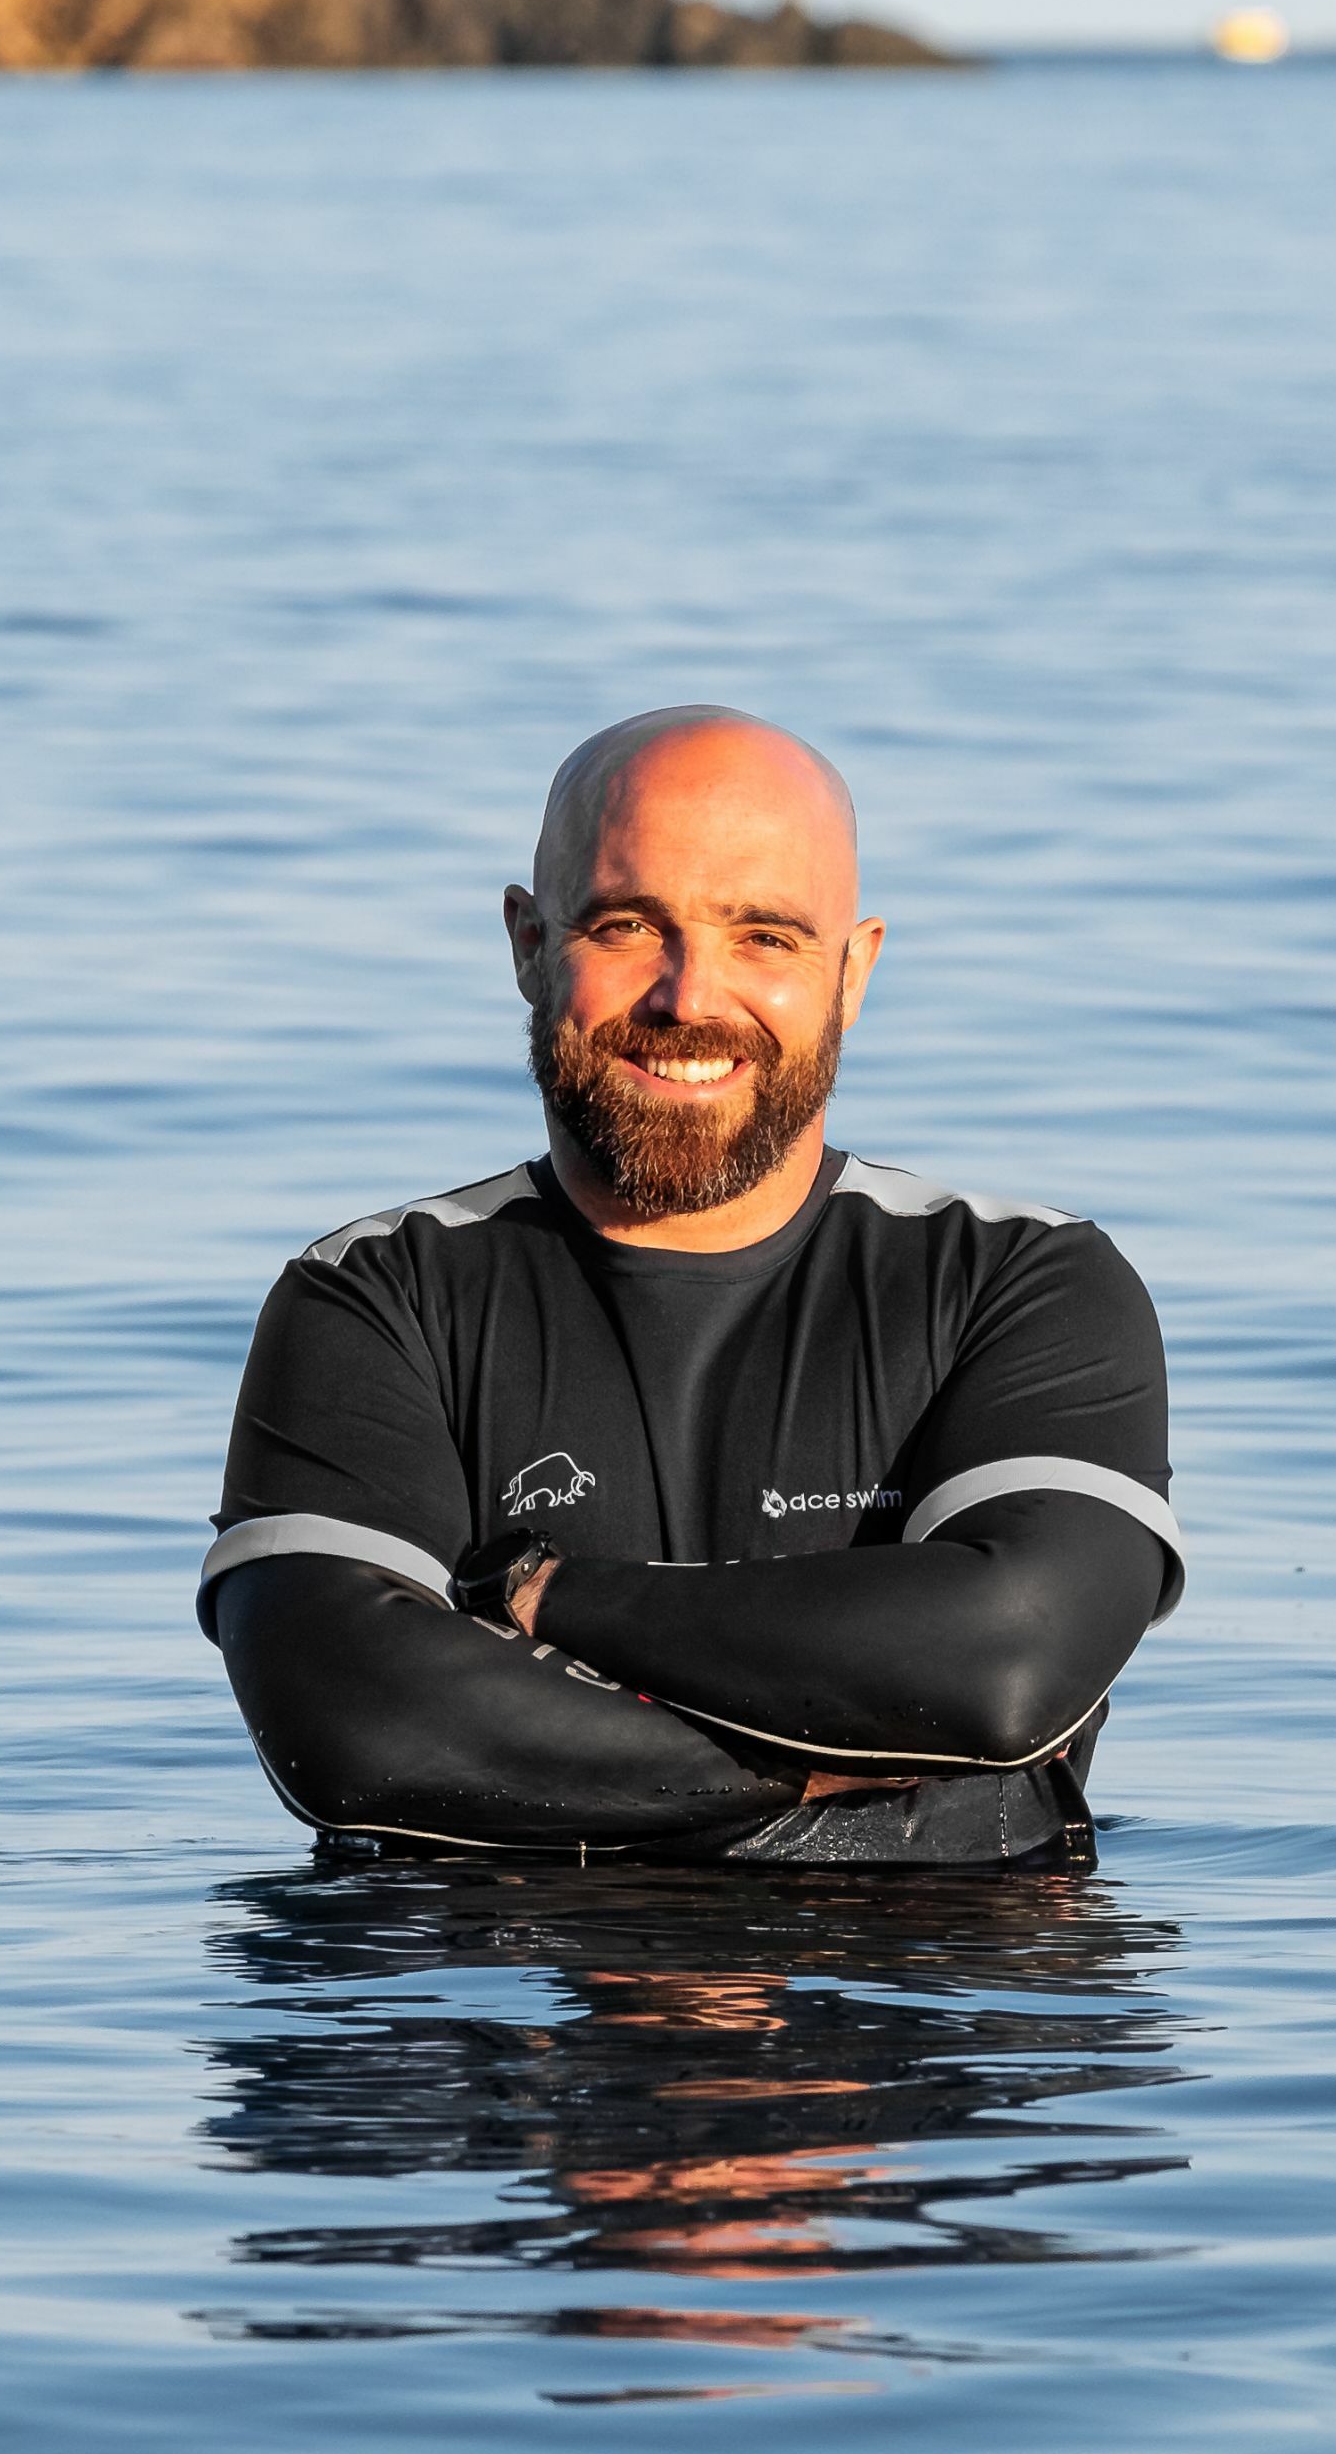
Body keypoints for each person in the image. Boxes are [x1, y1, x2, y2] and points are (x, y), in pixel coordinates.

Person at [197, 707, 1184, 1864]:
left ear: (854, 970)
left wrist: (541, 1595)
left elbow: (1006, 1663)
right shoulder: (375, 1298)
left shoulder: (1018, 1282)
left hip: (922, 2019)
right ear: (526, 944)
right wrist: (855, 1773)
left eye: (765, 935)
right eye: (627, 925)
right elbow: (360, 1734)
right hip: (488, 2015)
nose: (689, 996)